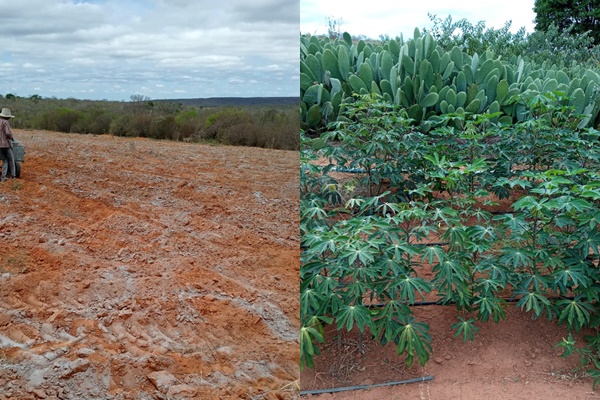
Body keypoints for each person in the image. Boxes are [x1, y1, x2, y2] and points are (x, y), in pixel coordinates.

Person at [0, 108, 16, 181]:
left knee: (4, 160)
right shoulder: (6, 122)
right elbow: (8, 133)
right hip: (6, 145)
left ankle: (3, 176)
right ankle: (12, 176)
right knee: (10, 160)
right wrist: (11, 137)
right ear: (7, 117)